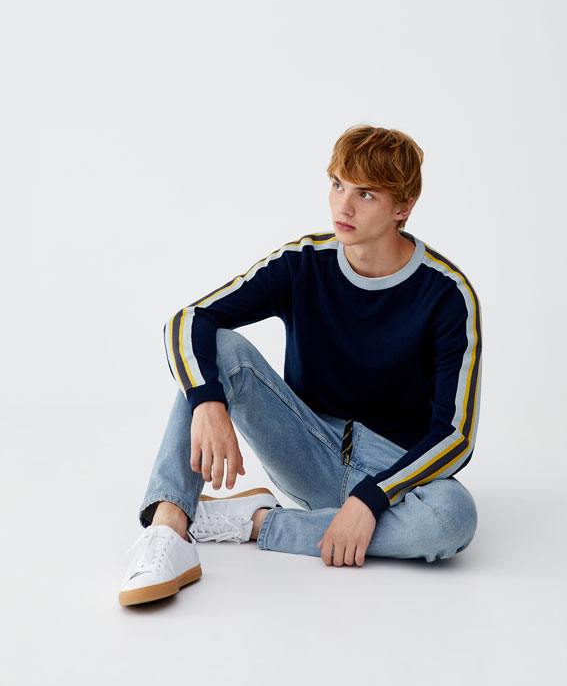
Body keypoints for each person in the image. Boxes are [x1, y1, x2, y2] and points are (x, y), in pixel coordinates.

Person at [119, 124, 483, 606]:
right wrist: (207, 403)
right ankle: (168, 527)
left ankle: (252, 523)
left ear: (403, 207)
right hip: (307, 447)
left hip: (393, 468)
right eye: (337, 185)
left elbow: (455, 436)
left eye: (366, 194)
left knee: (453, 516)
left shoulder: (447, 294)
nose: (343, 207)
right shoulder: (304, 262)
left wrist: (371, 498)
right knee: (219, 347)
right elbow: (189, 320)